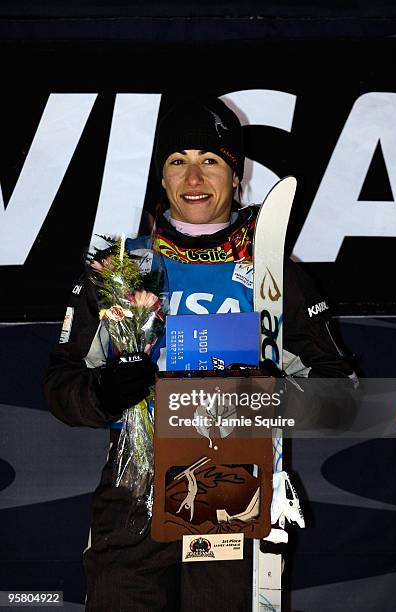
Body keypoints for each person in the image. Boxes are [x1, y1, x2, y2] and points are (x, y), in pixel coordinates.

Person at [44, 97, 356, 611]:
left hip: (235, 484)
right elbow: (60, 385)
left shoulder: (274, 273)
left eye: (210, 160)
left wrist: (268, 396)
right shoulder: (120, 270)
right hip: (134, 486)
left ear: (236, 178)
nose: (194, 176)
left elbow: (342, 398)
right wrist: (103, 393)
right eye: (177, 161)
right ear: (162, 179)